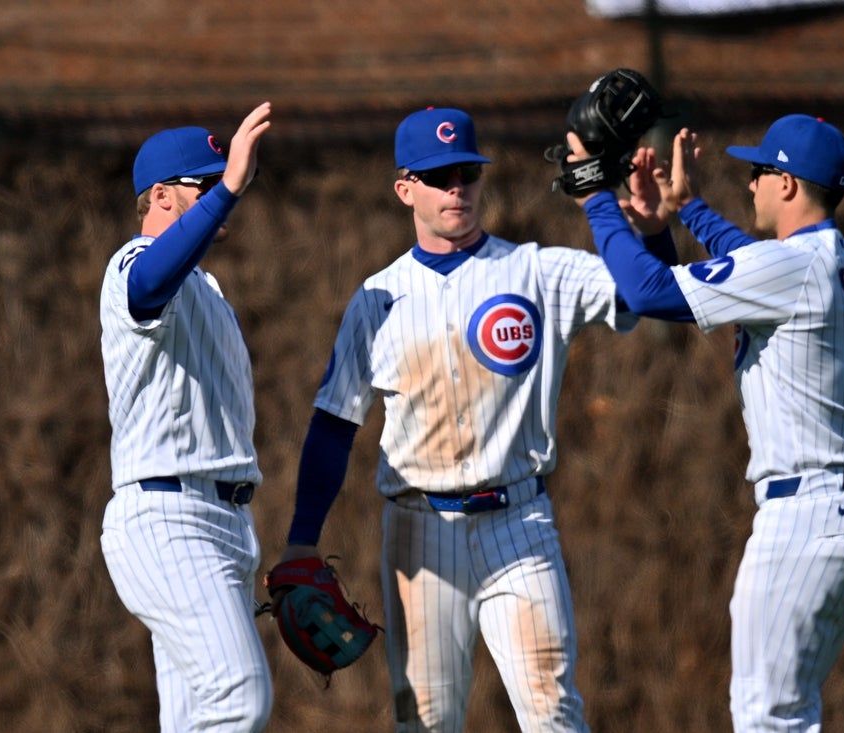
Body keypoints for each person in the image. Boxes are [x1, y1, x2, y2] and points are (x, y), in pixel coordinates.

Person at [272, 106, 675, 732]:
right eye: (439, 177)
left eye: (467, 172)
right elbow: (334, 424)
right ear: (405, 189)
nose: (456, 187)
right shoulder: (377, 299)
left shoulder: (536, 270)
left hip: (520, 527)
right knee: (425, 722)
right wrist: (302, 536)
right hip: (419, 530)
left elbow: (648, 293)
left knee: (553, 712)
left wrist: (651, 232)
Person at [569, 114, 844, 731]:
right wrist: (688, 210)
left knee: (766, 716)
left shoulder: (790, 270)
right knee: (788, 709)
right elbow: (754, 264)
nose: (750, 184)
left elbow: (647, 292)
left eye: (760, 172)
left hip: (808, 515)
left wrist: (596, 199)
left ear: (788, 184)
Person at [99, 103, 273, 732]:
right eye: (205, 183)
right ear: (162, 195)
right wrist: (228, 190)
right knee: (239, 697)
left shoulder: (209, 289)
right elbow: (149, 283)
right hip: (168, 518)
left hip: (225, 524)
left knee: (194, 717)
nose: (223, 192)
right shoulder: (132, 261)